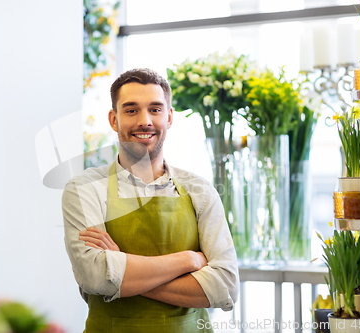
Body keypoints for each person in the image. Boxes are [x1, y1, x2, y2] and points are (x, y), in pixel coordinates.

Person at [62, 68, 239, 332]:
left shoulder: (199, 191)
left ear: (169, 117)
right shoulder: (85, 188)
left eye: (155, 109)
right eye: (131, 110)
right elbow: (95, 276)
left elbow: (225, 287)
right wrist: (188, 261)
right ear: (114, 119)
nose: (144, 121)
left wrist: (122, 267)